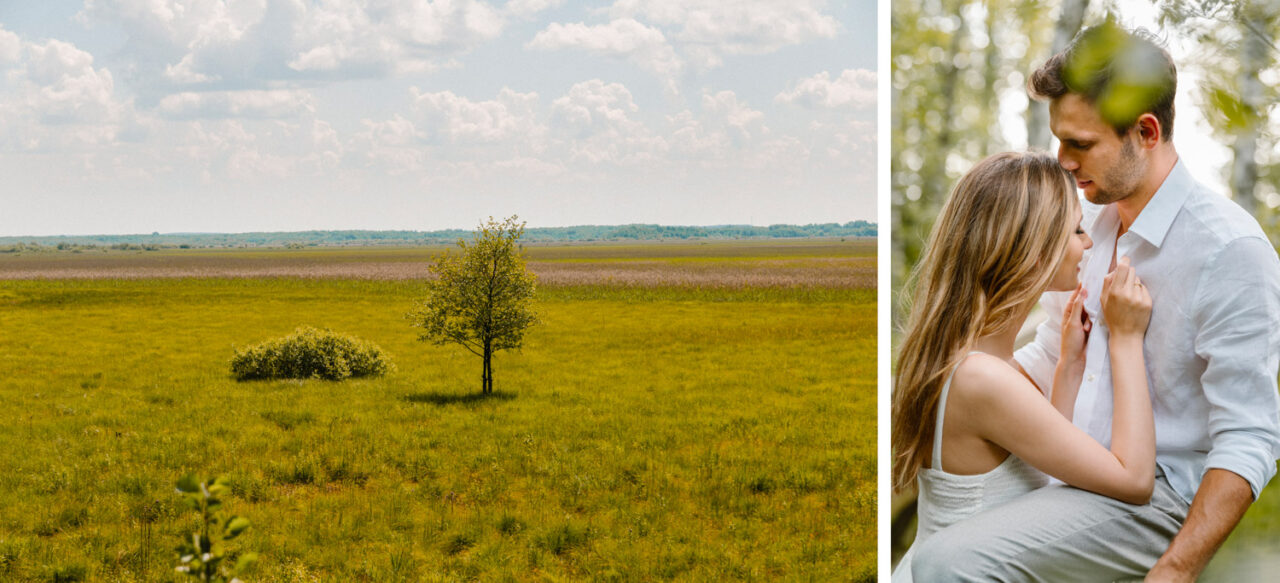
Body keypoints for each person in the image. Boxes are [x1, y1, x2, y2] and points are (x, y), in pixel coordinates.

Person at [910, 22, 1280, 582]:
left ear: (1147, 131)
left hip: (1154, 499)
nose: (1062, 160)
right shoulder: (1086, 224)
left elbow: (1250, 435)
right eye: (1059, 139)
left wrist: (1177, 569)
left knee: (950, 562)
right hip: (1070, 471)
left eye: (1080, 144)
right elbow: (1049, 353)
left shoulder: (1228, 249)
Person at [890, 151, 1157, 583]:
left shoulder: (979, 361)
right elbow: (1134, 480)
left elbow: (1041, 470)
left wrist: (1068, 364)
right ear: (1034, 252)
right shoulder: (981, 379)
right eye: (1075, 229)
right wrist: (1126, 339)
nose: (1088, 242)